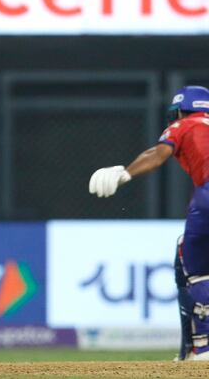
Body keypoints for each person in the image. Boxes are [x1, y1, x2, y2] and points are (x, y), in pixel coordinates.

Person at [89, 85, 209, 361]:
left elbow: (158, 154)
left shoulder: (186, 124)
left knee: (196, 270)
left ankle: (201, 348)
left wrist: (125, 174)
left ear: (181, 110)